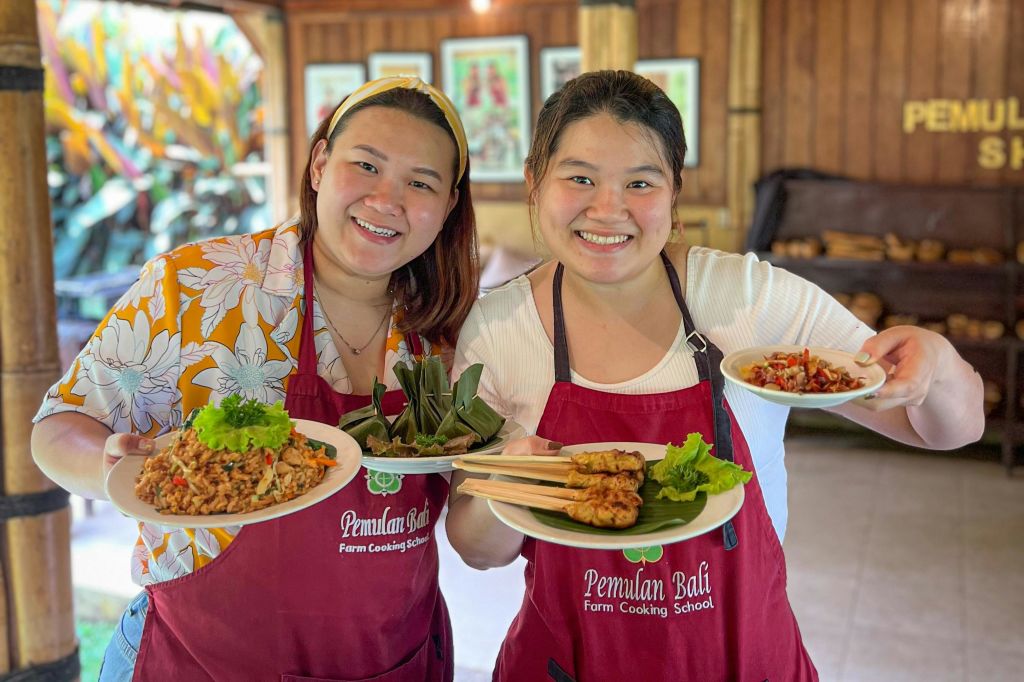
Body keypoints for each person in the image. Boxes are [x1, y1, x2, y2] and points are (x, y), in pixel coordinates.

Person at [445, 70, 984, 680]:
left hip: (743, 662)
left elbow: (949, 429)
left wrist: (937, 363)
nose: (608, 209)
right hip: (565, 664)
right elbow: (474, 549)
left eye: (640, 182)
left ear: (675, 193)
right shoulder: (499, 326)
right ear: (534, 182)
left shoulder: (752, 300)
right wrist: (511, 481)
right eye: (580, 178)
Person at [32, 76, 477, 682]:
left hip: (391, 659)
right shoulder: (195, 287)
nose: (386, 199)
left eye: (420, 183)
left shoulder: (451, 330)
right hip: (197, 661)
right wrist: (110, 465)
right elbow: (58, 426)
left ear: (448, 206)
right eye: (366, 165)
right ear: (319, 164)